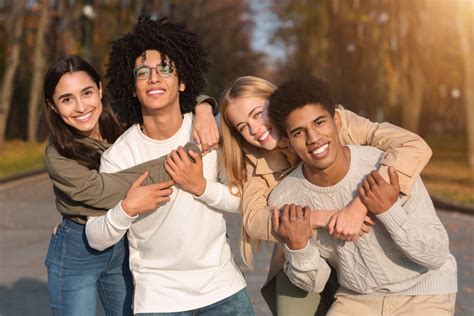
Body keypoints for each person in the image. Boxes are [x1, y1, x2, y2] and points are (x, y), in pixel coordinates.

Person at [218, 76, 433, 315]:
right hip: (308, 248)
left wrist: (360, 206)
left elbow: (412, 145)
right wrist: (325, 218)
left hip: (366, 245)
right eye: (242, 127)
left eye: (258, 114)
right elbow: (254, 220)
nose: (255, 129)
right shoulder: (255, 162)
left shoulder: (334, 121)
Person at [85, 16, 254, 315]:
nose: (154, 78)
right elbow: (95, 236)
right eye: (143, 72)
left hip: (222, 289)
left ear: (182, 81)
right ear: (132, 87)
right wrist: (127, 209)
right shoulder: (119, 156)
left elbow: (244, 198)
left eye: (165, 68)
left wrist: (200, 186)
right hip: (159, 300)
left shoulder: (207, 132)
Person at [43, 55, 218, 316]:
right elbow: (103, 191)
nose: (81, 107)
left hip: (123, 242)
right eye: (67, 99)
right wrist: (184, 158)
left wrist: (204, 108)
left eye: (87, 92)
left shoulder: (122, 121)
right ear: (54, 106)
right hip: (77, 251)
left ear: (100, 90)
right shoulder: (57, 154)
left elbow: (168, 97)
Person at [268, 76, 457, 315]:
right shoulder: (286, 198)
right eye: (298, 132)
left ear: (336, 121)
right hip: (357, 299)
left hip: (424, 291)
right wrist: (298, 247)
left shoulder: (384, 165)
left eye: (319, 122)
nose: (313, 138)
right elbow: (313, 283)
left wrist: (388, 210)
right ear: (287, 141)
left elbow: (436, 254)